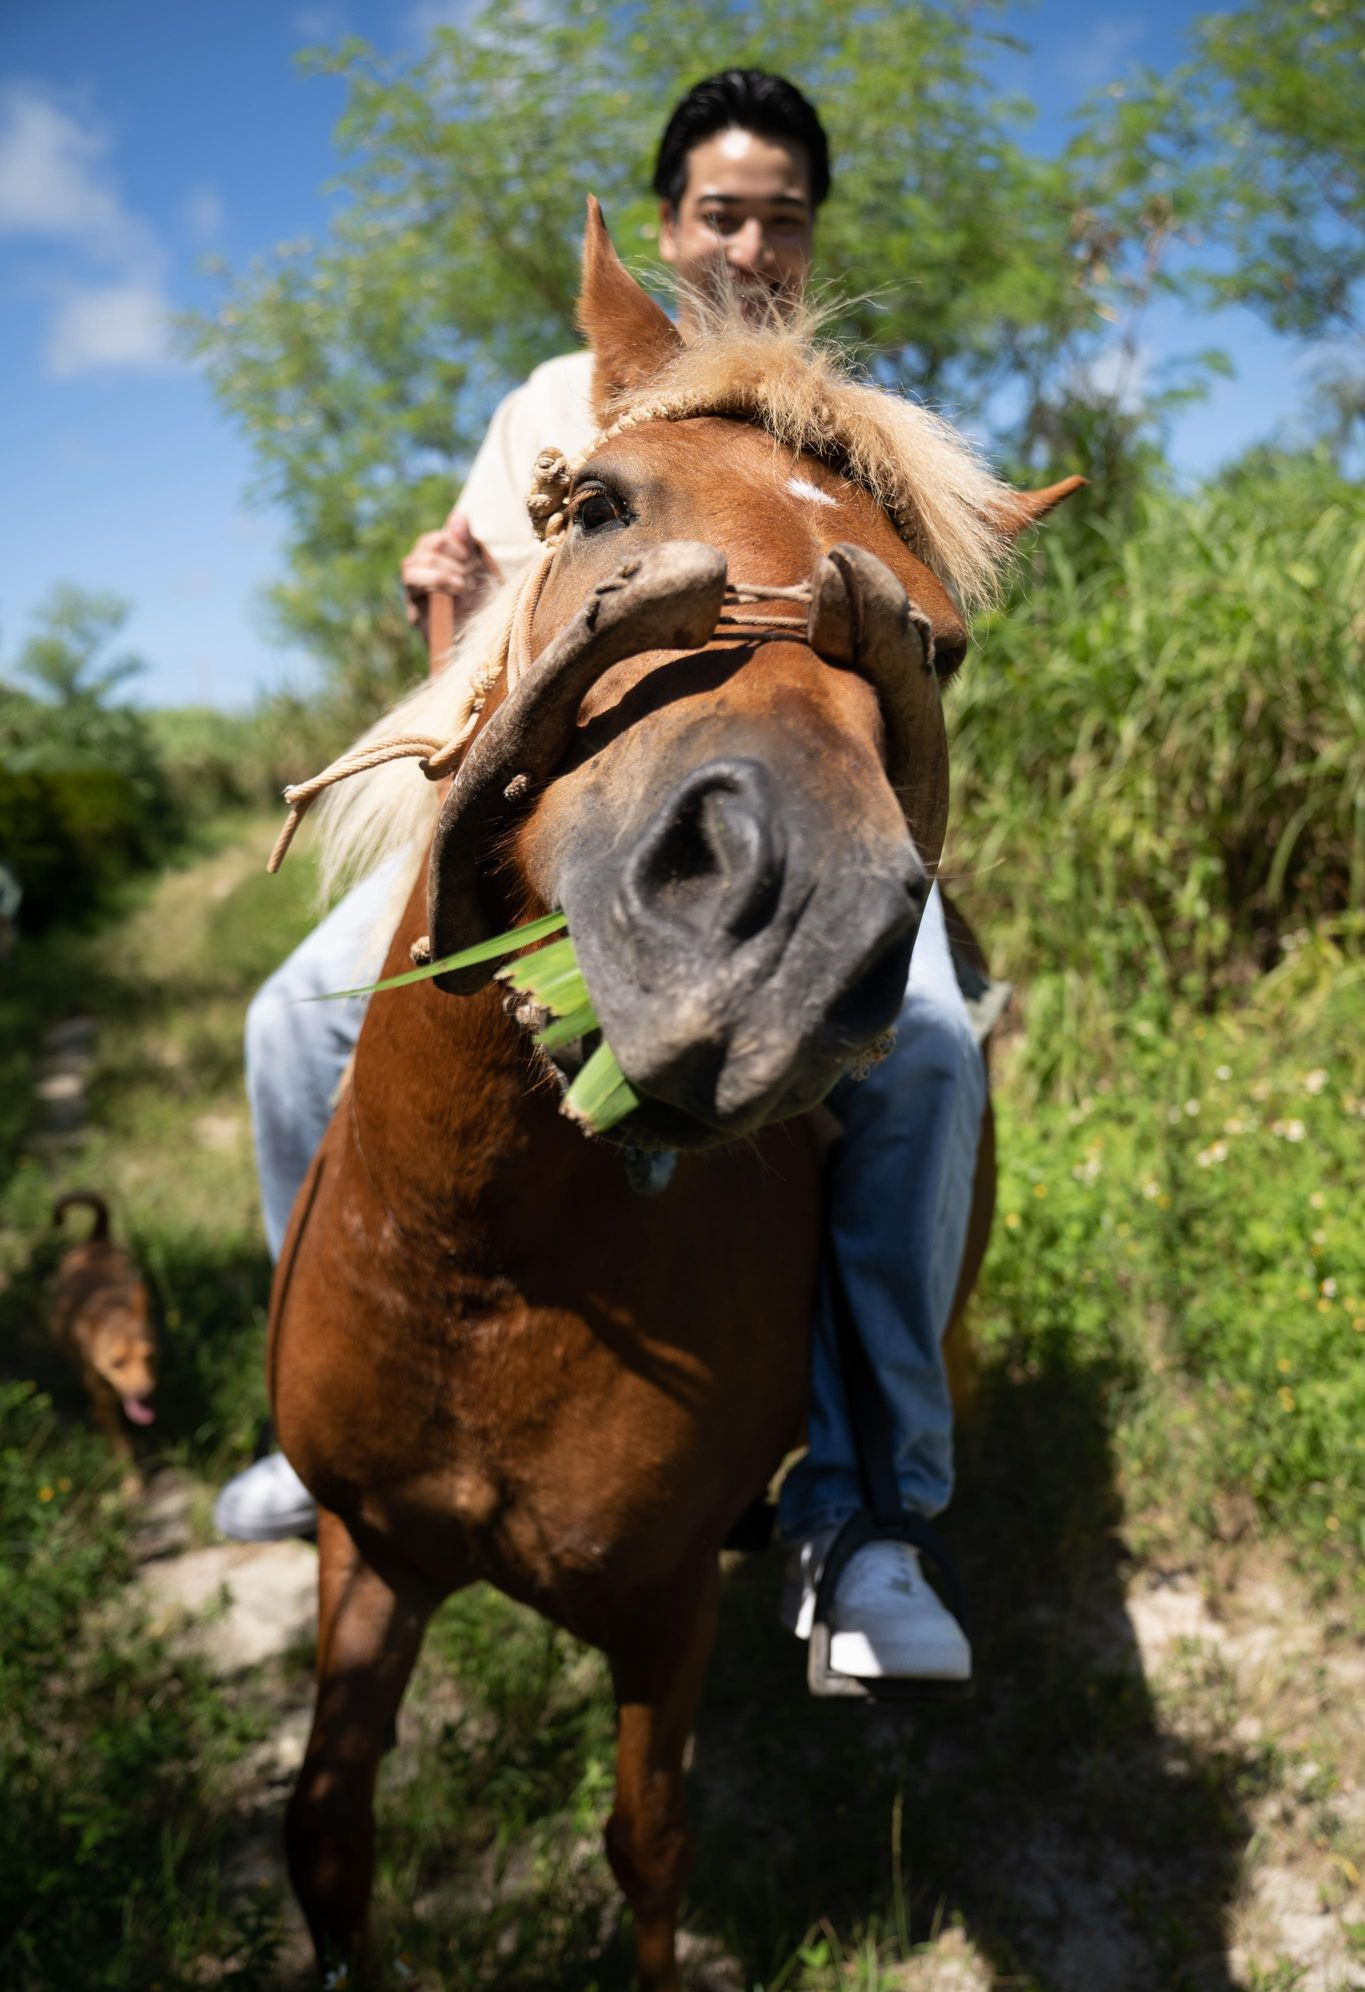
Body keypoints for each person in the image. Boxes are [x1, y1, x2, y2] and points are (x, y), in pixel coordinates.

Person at [216, 69, 983, 1691]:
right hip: (542, 804)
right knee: (294, 1016)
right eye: (723, 211)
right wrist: (439, 595)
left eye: (782, 218)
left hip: (786, 794)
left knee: (924, 1057)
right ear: (666, 228)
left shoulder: (854, 433)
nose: (752, 244)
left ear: (807, 239)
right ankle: (320, 1418)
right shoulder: (552, 405)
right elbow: (482, 649)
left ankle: (863, 1511)